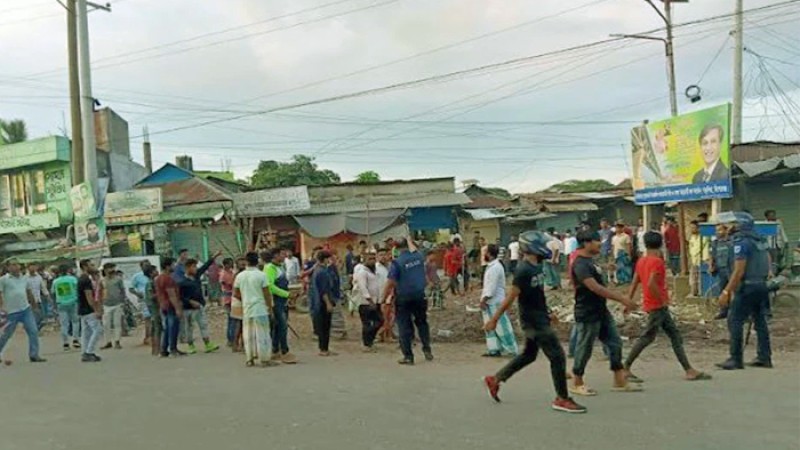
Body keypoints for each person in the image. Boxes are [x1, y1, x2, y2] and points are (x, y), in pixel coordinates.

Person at [482, 231, 586, 414]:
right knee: (557, 357)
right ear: (532, 247)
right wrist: (494, 319)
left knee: (529, 355)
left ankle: (496, 379)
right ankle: (562, 398)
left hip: (539, 317)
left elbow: (537, 294)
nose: (547, 248)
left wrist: (548, 312)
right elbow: (511, 297)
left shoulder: (538, 266)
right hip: (533, 321)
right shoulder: (523, 270)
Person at [623, 232, 712, 382]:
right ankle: (625, 367)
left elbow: (635, 282)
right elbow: (651, 283)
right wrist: (663, 299)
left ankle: (689, 369)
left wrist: (628, 301)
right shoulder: (657, 262)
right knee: (648, 337)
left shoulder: (642, 261)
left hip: (652, 303)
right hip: (657, 305)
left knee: (673, 335)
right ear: (661, 244)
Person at [570, 230, 640, 396]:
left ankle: (619, 380)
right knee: (584, 347)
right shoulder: (580, 264)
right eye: (597, 241)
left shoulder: (590, 261)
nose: (600, 244)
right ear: (586, 243)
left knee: (615, 343)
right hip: (587, 312)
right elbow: (595, 287)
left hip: (600, 310)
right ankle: (577, 382)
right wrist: (622, 299)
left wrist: (604, 267)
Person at [716, 212, 773, 370]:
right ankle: (764, 357)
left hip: (747, 286)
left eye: (730, 224)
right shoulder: (759, 239)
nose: (726, 227)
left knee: (734, 319)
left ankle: (735, 359)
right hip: (761, 285)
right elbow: (768, 261)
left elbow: (739, 271)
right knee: (760, 320)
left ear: (739, 225)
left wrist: (726, 292)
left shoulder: (741, 242)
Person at [383, 238, 433, 365]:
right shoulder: (419, 256)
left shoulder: (397, 262)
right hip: (419, 295)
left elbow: (391, 282)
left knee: (403, 325)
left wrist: (383, 298)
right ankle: (427, 349)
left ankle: (408, 356)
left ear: (396, 248)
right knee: (422, 322)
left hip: (404, 297)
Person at [0, 260, 47, 365]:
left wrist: (34, 306)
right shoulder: (3, 280)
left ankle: (34, 355)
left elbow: (28, 292)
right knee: (6, 334)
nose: (16, 267)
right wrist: (2, 308)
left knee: (33, 331)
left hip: (25, 309)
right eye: (13, 265)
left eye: (17, 264)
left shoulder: (24, 278)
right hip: (11, 311)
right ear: (8, 268)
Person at [234, 252, 276, 367]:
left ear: (246, 262)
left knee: (248, 334)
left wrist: (245, 299)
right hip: (260, 308)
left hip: (247, 308)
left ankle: (249, 358)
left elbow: (235, 293)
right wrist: (270, 309)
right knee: (263, 334)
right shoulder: (261, 275)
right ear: (257, 262)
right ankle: (264, 359)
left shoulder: (240, 276)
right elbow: (267, 294)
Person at [179, 253, 222, 354]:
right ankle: (191, 345)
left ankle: (208, 344)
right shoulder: (182, 282)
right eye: (193, 266)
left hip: (200, 306)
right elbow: (180, 296)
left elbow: (205, 266)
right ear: (188, 268)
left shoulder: (197, 276)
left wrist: (214, 256)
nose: (195, 268)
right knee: (189, 327)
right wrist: (190, 301)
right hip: (188, 308)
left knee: (203, 325)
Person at [480, 244, 518, 357]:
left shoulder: (495, 267)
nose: (483, 255)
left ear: (490, 254)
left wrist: (484, 299)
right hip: (490, 301)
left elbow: (491, 287)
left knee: (502, 326)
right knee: (489, 327)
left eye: (485, 252)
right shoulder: (492, 266)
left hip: (494, 301)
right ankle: (494, 349)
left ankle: (512, 349)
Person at [264, 248, 297, 364]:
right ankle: (284, 351)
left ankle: (275, 350)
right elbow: (270, 287)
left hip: (283, 301)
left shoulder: (280, 267)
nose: (285, 256)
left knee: (279, 327)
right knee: (282, 326)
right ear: (275, 255)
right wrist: (287, 294)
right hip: (276, 301)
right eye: (282, 254)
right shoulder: (269, 269)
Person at [352, 252, 384, 352]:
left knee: (380, 321)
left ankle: (369, 340)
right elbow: (362, 287)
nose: (372, 261)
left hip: (376, 301)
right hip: (365, 302)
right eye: (370, 259)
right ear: (364, 260)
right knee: (367, 323)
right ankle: (367, 344)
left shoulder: (374, 271)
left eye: (374, 259)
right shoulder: (362, 271)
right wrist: (370, 301)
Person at [155, 258, 185, 358]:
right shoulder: (168, 279)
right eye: (172, 265)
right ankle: (173, 349)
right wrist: (178, 308)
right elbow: (171, 294)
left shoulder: (159, 278)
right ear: (168, 266)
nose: (174, 267)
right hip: (170, 305)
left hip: (163, 305)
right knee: (173, 327)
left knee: (167, 328)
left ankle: (164, 349)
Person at [309, 251, 336, 356]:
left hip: (317, 302)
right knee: (325, 326)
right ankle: (323, 349)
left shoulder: (318, 270)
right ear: (325, 259)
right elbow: (323, 290)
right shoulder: (322, 272)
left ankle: (324, 348)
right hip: (322, 303)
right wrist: (328, 303)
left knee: (323, 326)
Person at [77, 260, 103, 362]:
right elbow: (89, 297)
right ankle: (89, 351)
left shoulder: (83, 279)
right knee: (98, 330)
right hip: (88, 310)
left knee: (86, 332)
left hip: (82, 309)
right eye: (91, 265)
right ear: (85, 266)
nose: (93, 266)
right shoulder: (86, 280)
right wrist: (96, 310)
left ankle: (85, 351)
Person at [52, 265, 81, 351]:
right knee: (75, 321)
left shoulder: (55, 281)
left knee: (64, 324)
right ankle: (75, 340)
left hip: (61, 303)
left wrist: (54, 305)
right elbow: (77, 289)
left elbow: (53, 293)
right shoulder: (73, 279)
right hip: (73, 302)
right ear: (68, 270)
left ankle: (65, 342)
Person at [99, 263, 126, 350]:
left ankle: (117, 341)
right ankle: (108, 342)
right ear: (105, 270)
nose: (111, 271)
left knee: (117, 323)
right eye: (109, 269)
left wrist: (122, 301)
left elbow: (122, 290)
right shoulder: (102, 281)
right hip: (106, 304)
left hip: (117, 303)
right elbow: (99, 293)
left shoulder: (118, 279)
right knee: (106, 324)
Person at [710, 223, 732, 320]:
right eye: (717, 230)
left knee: (735, 291)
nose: (717, 232)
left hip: (731, 270)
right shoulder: (715, 243)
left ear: (726, 230)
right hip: (721, 269)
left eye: (720, 230)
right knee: (722, 291)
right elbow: (712, 256)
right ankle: (723, 311)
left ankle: (737, 312)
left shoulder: (731, 242)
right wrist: (711, 266)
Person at [141, 265, 162, 356]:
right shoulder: (150, 283)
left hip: (154, 307)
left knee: (156, 327)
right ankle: (157, 349)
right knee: (157, 328)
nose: (157, 271)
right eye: (155, 270)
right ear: (150, 273)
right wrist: (160, 293)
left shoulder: (152, 282)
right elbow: (151, 296)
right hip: (154, 307)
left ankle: (156, 348)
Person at [129, 261, 152, 345]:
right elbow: (131, 288)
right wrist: (137, 294)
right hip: (144, 300)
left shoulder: (152, 275)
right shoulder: (137, 276)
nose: (147, 267)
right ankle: (147, 337)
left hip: (153, 299)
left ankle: (152, 336)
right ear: (141, 266)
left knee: (154, 318)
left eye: (148, 265)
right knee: (147, 318)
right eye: (145, 265)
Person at [376, 247, 394, 343]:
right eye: (381, 255)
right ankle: (383, 335)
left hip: (391, 295)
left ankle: (387, 335)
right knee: (384, 317)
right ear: (377, 257)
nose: (383, 257)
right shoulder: (376, 268)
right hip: (380, 296)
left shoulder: (391, 267)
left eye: (384, 255)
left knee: (390, 317)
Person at [25, 263, 51, 329]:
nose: (33, 268)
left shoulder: (38, 277)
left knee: (40, 316)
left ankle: (36, 328)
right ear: (28, 268)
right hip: (29, 301)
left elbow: (43, 287)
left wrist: (47, 296)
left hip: (38, 300)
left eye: (34, 266)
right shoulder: (25, 278)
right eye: (31, 266)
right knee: (34, 316)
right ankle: (35, 330)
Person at [688, 221, 709, 296]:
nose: (691, 229)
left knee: (701, 278)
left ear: (698, 228)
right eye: (691, 228)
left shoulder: (703, 237)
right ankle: (694, 292)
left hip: (702, 260)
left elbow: (698, 249)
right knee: (693, 278)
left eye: (693, 228)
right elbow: (691, 250)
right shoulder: (692, 238)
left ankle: (701, 293)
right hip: (694, 260)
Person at [220, 258, 237, 348]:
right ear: (226, 265)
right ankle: (231, 339)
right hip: (228, 299)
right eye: (230, 263)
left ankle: (231, 338)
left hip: (231, 298)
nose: (232, 265)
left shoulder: (231, 272)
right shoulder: (224, 274)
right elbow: (229, 284)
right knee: (232, 320)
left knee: (232, 320)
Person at [764, 209, 787, 274]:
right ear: (767, 217)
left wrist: (786, 241)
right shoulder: (764, 224)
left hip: (778, 244)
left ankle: (777, 272)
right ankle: (772, 272)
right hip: (769, 245)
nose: (773, 217)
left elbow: (782, 232)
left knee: (778, 259)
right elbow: (764, 236)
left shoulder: (779, 222)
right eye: (771, 215)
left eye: (774, 215)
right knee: (770, 260)